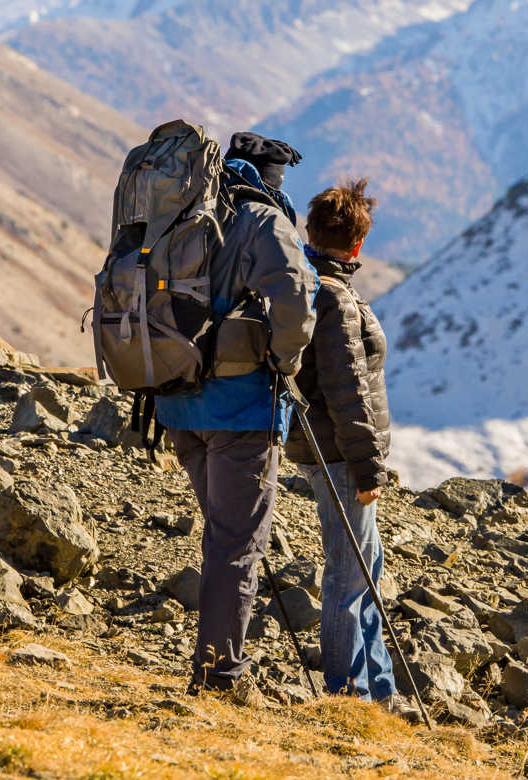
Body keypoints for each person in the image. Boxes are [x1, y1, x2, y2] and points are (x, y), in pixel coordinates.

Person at [158, 131, 318, 695]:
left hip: (175, 402)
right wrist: (285, 359)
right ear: (274, 179)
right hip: (240, 408)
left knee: (224, 536)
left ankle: (217, 664)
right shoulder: (261, 220)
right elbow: (297, 301)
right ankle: (220, 676)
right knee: (235, 544)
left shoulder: (186, 210)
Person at [285, 179, 414, 717]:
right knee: (347, 573)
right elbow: (349, 392)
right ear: (358, 245)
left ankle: (378, 690)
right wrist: (368, 469)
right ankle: (345, 696)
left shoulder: (311, 284)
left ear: (311, 232)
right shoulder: (335, 298)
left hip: (330, 451)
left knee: (366, 567)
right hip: (342, 456)